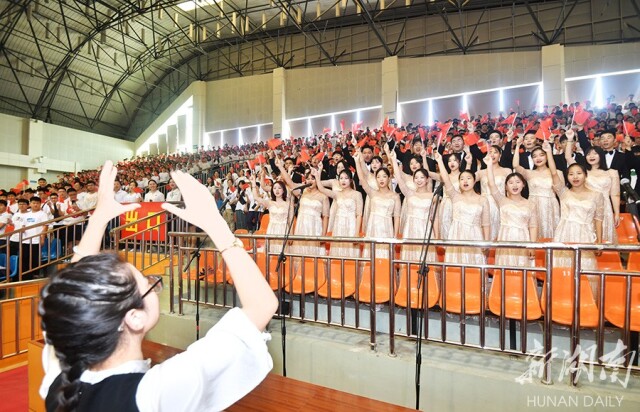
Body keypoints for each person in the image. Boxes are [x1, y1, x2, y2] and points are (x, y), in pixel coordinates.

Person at [39, 161, 278, 411]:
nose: (153, 283)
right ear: (134, 317)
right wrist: (216, 225)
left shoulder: (62, 377)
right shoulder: (156, 394)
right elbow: (262, 306)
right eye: (147, 282)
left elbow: (73, 298)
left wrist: (98, 219)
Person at [545, 142, 604, 297]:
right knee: (562, 269)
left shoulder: (597, 195)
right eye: (571, 174)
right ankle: (561, 299)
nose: (575, 177)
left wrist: (599, 241)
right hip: (564, 234)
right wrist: (549, 152)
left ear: (585, 175)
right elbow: (553, 174)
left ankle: (585, 301)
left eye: (579, 173)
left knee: (584, 270)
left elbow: (598, 219)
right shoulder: (563, 192)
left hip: (585, 235)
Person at [434, 152, 490, 265]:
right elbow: (446, 179)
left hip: (475, 236)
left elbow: (486, 224)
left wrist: (487, 243)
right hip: (456, 235)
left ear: (474, 181)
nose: (465, 181)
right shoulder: (455, 196)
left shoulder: (482, 200)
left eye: (468, 178)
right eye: (462, 179)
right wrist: (439, 161)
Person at [565, 129, 620, 243]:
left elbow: (615, 194)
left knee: (604, 238)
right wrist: (570, 139)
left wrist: (617, 213)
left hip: (604, 207)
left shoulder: (612, 172)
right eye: (588, 154)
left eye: (595, 154)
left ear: (601, 155)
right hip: (586, 207)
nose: (591, 156)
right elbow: (568, 157)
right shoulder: (583, 172)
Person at [484, 157, 537, 269]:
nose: (515, 185)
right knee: (505, 268)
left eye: (518, 182)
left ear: (523, 184)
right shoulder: (501, 200)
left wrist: (532, 246)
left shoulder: (531, 204)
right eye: (511, 183)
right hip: (505, 238)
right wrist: (489, 165)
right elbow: (492, 184)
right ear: (506, 186)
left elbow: (533, 226)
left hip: (523, 238)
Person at [513, 137, 562, 239]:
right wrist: (517, 146)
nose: (538, 158)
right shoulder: (529, 173)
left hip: (551, 205)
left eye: (541, 155)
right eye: (534, 156)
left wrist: (549, 151)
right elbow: (516, 165)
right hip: (533, 205)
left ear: (547, 156)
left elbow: (561, 192)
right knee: (534, 233)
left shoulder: (557, 173)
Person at [355, 152, 400, 259]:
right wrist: (357, 161)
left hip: (387, 227)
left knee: (386, 255)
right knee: (372, 254)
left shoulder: (395, 196)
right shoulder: (372, 193)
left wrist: (395, 236)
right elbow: (362, 179)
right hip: (373, 227)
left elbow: (397, 217)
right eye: (378, 177)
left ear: (389, 178)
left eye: (384, 176)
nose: (381, 179)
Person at [312, 165, 363, 258]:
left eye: (346, 178)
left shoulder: (357, 194)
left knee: (350, 252)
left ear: (351, 180)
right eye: (341, 178)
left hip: (351, 225)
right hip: (338, 225)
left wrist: (356, 233)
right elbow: (321, 189)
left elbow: (359, 215)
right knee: (338, 250)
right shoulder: (337, 194)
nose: (343, 181)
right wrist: (316, 175)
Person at [476, 145, 512, 241]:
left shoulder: (507, 171)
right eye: (490, 152)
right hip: (484, 205)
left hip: (500, 204)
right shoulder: (481, 172)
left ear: (500, 155)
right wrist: (469, 163)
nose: (492, 154)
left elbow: (510, 190)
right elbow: (467, 181)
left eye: (495, 152)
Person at [250, 174, 293, 254]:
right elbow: (256, 197)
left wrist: (291, 235)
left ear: (283, 190)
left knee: (283, 253)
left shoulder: (288, 203)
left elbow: (290, 220)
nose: (277, 190)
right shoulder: (269, 202)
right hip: (272, 229)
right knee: (271, 253)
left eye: (279, 188)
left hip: (284, 230)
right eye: (275, 188)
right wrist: (253, 184)